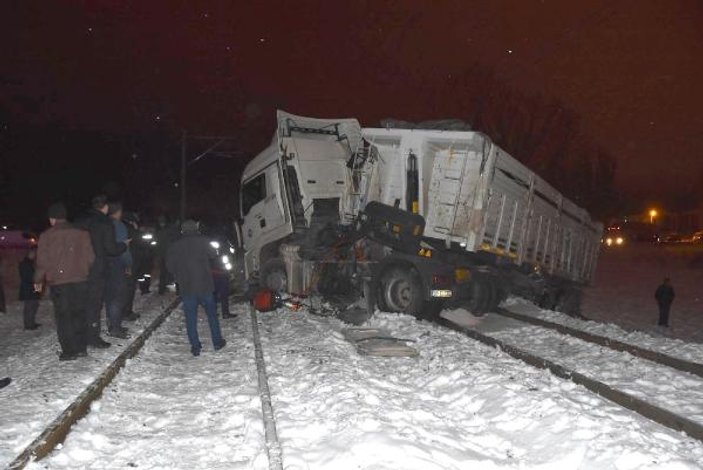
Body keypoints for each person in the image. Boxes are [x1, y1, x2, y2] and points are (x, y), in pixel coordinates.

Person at [34, 203, 95, 361]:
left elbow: (42, 261)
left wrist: (38, 280)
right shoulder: (82, 233)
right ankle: (81, 348)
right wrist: (83, 270)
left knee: (64, 317)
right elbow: (91, 257)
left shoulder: (47, 235)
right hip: (80, 280)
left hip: (59, 282)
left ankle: (69, 351)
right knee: (79, 314)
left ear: (52, 218)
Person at [166, 220, 226, 356]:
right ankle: (217, 341)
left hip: (187, 286)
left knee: (190, 318)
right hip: (205, 285)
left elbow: (169, 266)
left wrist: (179, 272)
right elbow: (214, 255)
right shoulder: (204, 241)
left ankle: (195, 346)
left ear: (182, 230)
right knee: (212, 315)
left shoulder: (175, 246)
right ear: (196, 228)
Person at [76, 195, 128, 348]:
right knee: (94, 304)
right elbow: (111, 249)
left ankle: (81, 334)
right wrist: (123, 245)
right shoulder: (105, 223)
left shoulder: (80, 221)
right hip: (97, 268)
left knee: (82, 302)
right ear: (105, 207)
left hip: (80, 266)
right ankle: (93, 337)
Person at [104, 202, 131, 338]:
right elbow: (123, 247)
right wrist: (128, 264)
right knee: (118, 296)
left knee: (109, 295)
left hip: (103, 263)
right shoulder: (119, 226)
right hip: (117, 262)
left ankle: (112, 323)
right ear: (118, 212)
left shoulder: (103, 223)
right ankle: (115, 327)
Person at [121, 212, 144, 320]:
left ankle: (122, 311)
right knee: (129, 288)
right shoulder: (131, 230)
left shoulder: (119, 227)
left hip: (121, 262)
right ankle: (126, 312)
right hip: (130, 262)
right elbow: (138, 244)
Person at [19, 247, 41, 330]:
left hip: (32, 288)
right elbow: (29, 277)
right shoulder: (25, 264)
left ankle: (31, 322)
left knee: (34, 305)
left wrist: (38, 289)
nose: (35, 255)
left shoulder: (30, 263)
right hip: (28, 289)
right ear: (30, 253)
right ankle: (29, 325)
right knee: (30, 306)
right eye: (34, 253)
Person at [155, 215, 179, 294]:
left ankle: (163, 289)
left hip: (167, 255)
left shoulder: (162, 231)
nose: (161, 223)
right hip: (167, 255)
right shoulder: (165, 231)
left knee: (168, 272)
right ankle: (164, 289)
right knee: (168, 272)